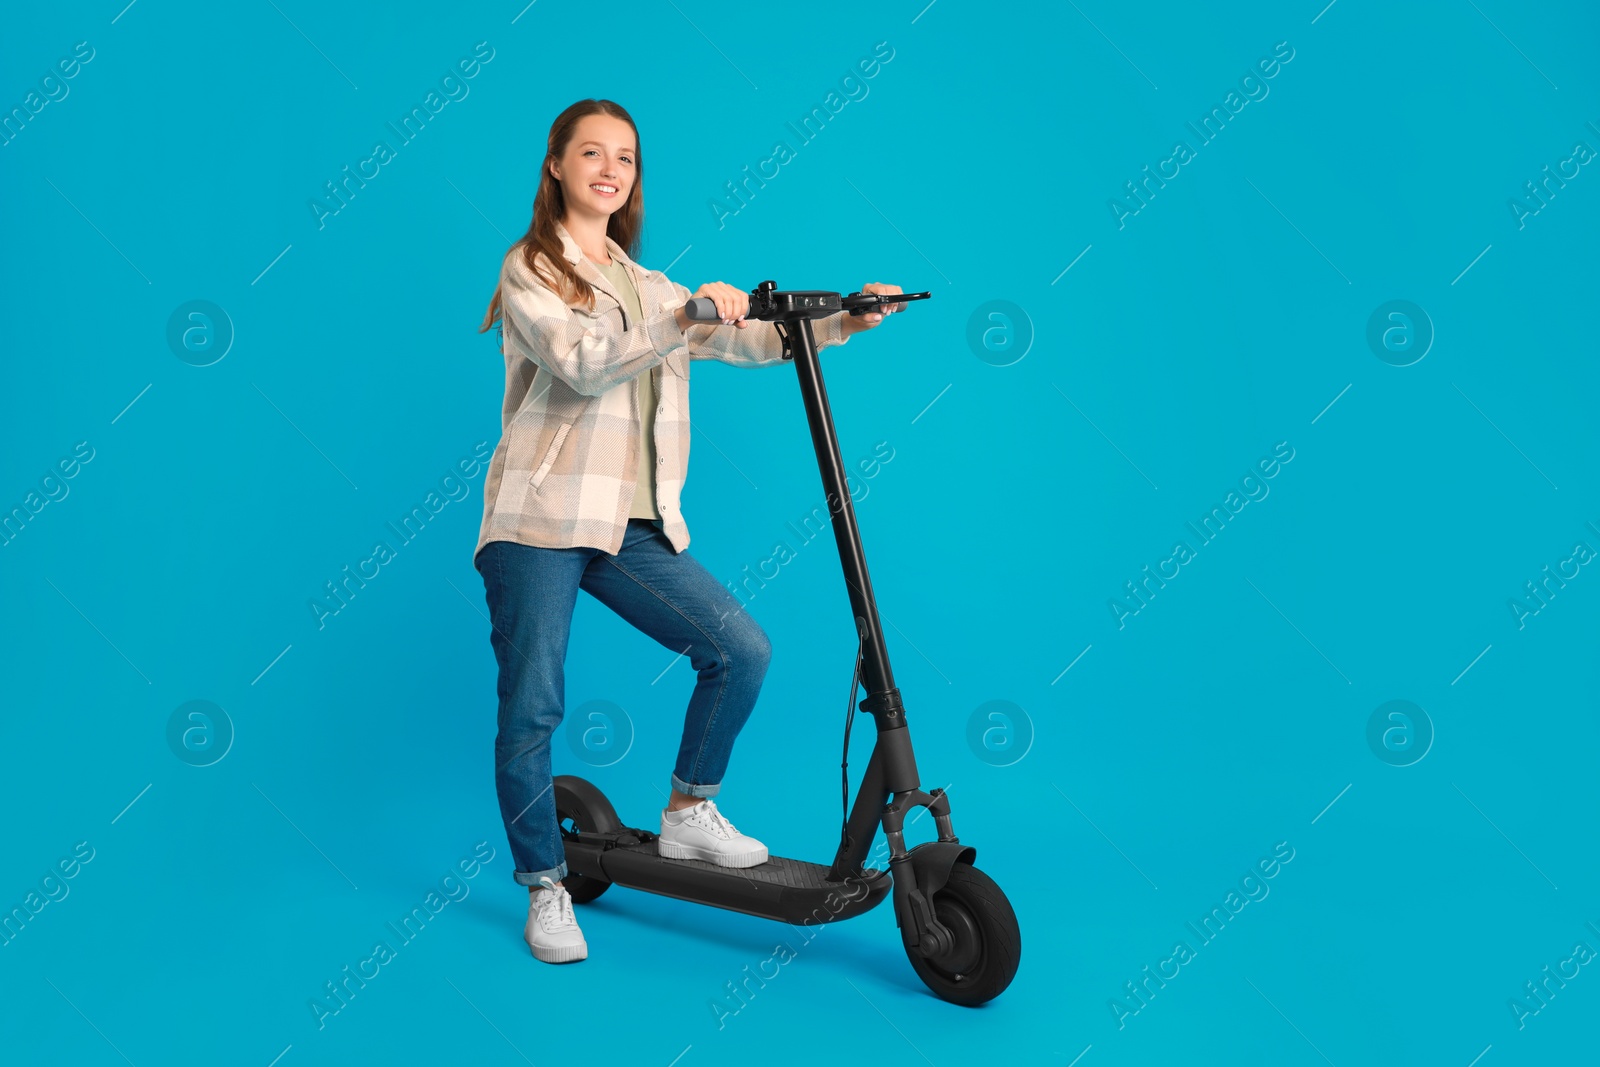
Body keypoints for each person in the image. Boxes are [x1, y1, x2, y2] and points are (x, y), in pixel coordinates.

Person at [472, 99, 904, 964]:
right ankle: (545, 887)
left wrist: (847, 318)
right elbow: (586, 361)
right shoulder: (532, 270)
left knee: (740, 648)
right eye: (590, 153)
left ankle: (687, 813)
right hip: (540, 520)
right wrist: (684, 316)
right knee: (534, 706)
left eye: (624, 157)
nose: (609, 169)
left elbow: (744, 341)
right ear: (555, 165)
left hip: (629, 524)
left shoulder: (650, 282)